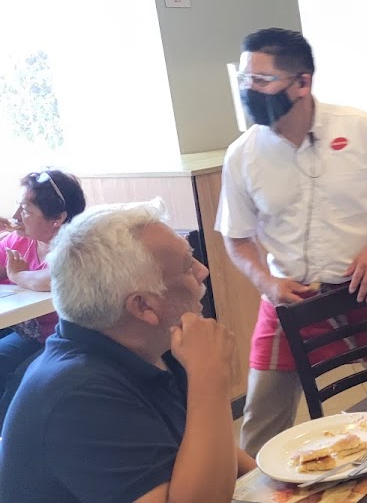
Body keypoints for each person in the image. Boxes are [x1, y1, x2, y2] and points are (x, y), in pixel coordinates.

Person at [218, 28, 367, 454]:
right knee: (259, 424)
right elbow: (236, 238)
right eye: (243, 79)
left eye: (261, 80)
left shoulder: (361, 128)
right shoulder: (242, 154)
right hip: (290, 299)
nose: (248, 90)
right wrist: (265, 282)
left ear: (302, 82)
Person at [0, 203, 256, 502]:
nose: (203, 271)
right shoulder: (78, 395)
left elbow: (207, 443)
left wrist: (276, 483)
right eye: (188, 266)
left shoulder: (154, 346)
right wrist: (209, 378)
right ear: (143, 306)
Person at [0, 170, 86, 421]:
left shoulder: (77, 246)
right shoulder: (20, 241)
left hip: (71, 339)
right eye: (18, 206)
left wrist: (18, 275)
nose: (16, 216)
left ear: (57, 218)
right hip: (32, 336)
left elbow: (54, 278)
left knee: (22, 383)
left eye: (26, 210)